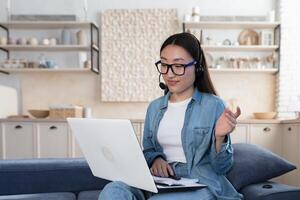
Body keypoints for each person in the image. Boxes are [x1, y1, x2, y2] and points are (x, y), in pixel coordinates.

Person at [99, 32, 243, 200]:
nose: (169, 74)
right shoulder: (154, 108)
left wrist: (220, 137)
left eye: (178, 65)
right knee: (113, 190)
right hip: (157, 181)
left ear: (197, 67)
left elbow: (222, 167)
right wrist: (156, 160)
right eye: (164, 65)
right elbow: (149, 149)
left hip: (199, 182)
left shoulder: (214, 105)